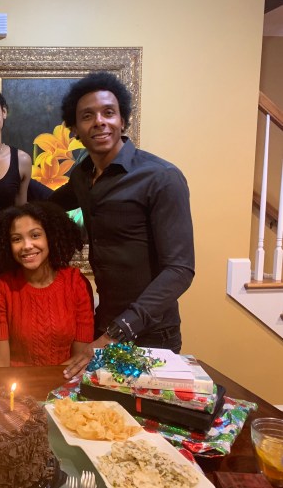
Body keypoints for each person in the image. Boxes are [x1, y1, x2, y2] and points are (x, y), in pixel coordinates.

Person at [49, 72, 195, 378]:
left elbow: (180, 270)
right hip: (103, 324)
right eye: (87, 116)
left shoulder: (161, 177)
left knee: (145, 411)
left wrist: (116, 333)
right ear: (74, 129)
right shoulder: (82, 177)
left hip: (151, 335)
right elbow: (47, 204)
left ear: (123, 120)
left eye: (108, 112)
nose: (99, 122)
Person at [0, 201, 95, 368]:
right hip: (15, 383)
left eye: (35, 235)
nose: (27, 246)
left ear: (50, 237)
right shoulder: (0, 288)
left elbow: (79, 362)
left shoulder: (76, 283)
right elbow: (0, 365)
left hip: (66, 381)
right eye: (17, 239)